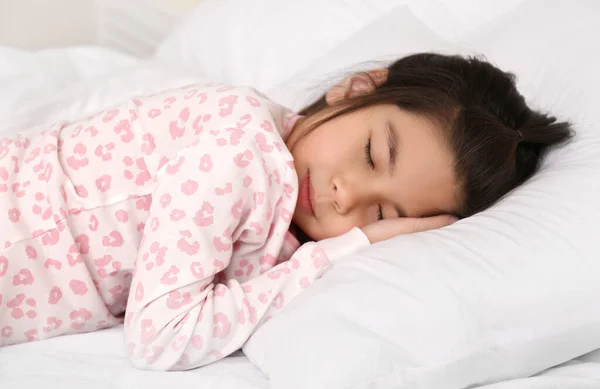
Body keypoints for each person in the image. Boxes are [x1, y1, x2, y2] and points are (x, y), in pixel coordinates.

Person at [0, 53, 573, 370]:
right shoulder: (243, 150)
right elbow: (163, 338)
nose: (346, 195)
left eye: (382, 214)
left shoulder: (277, 209)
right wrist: (345, 249)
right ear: (356, 89)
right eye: (372, 153)